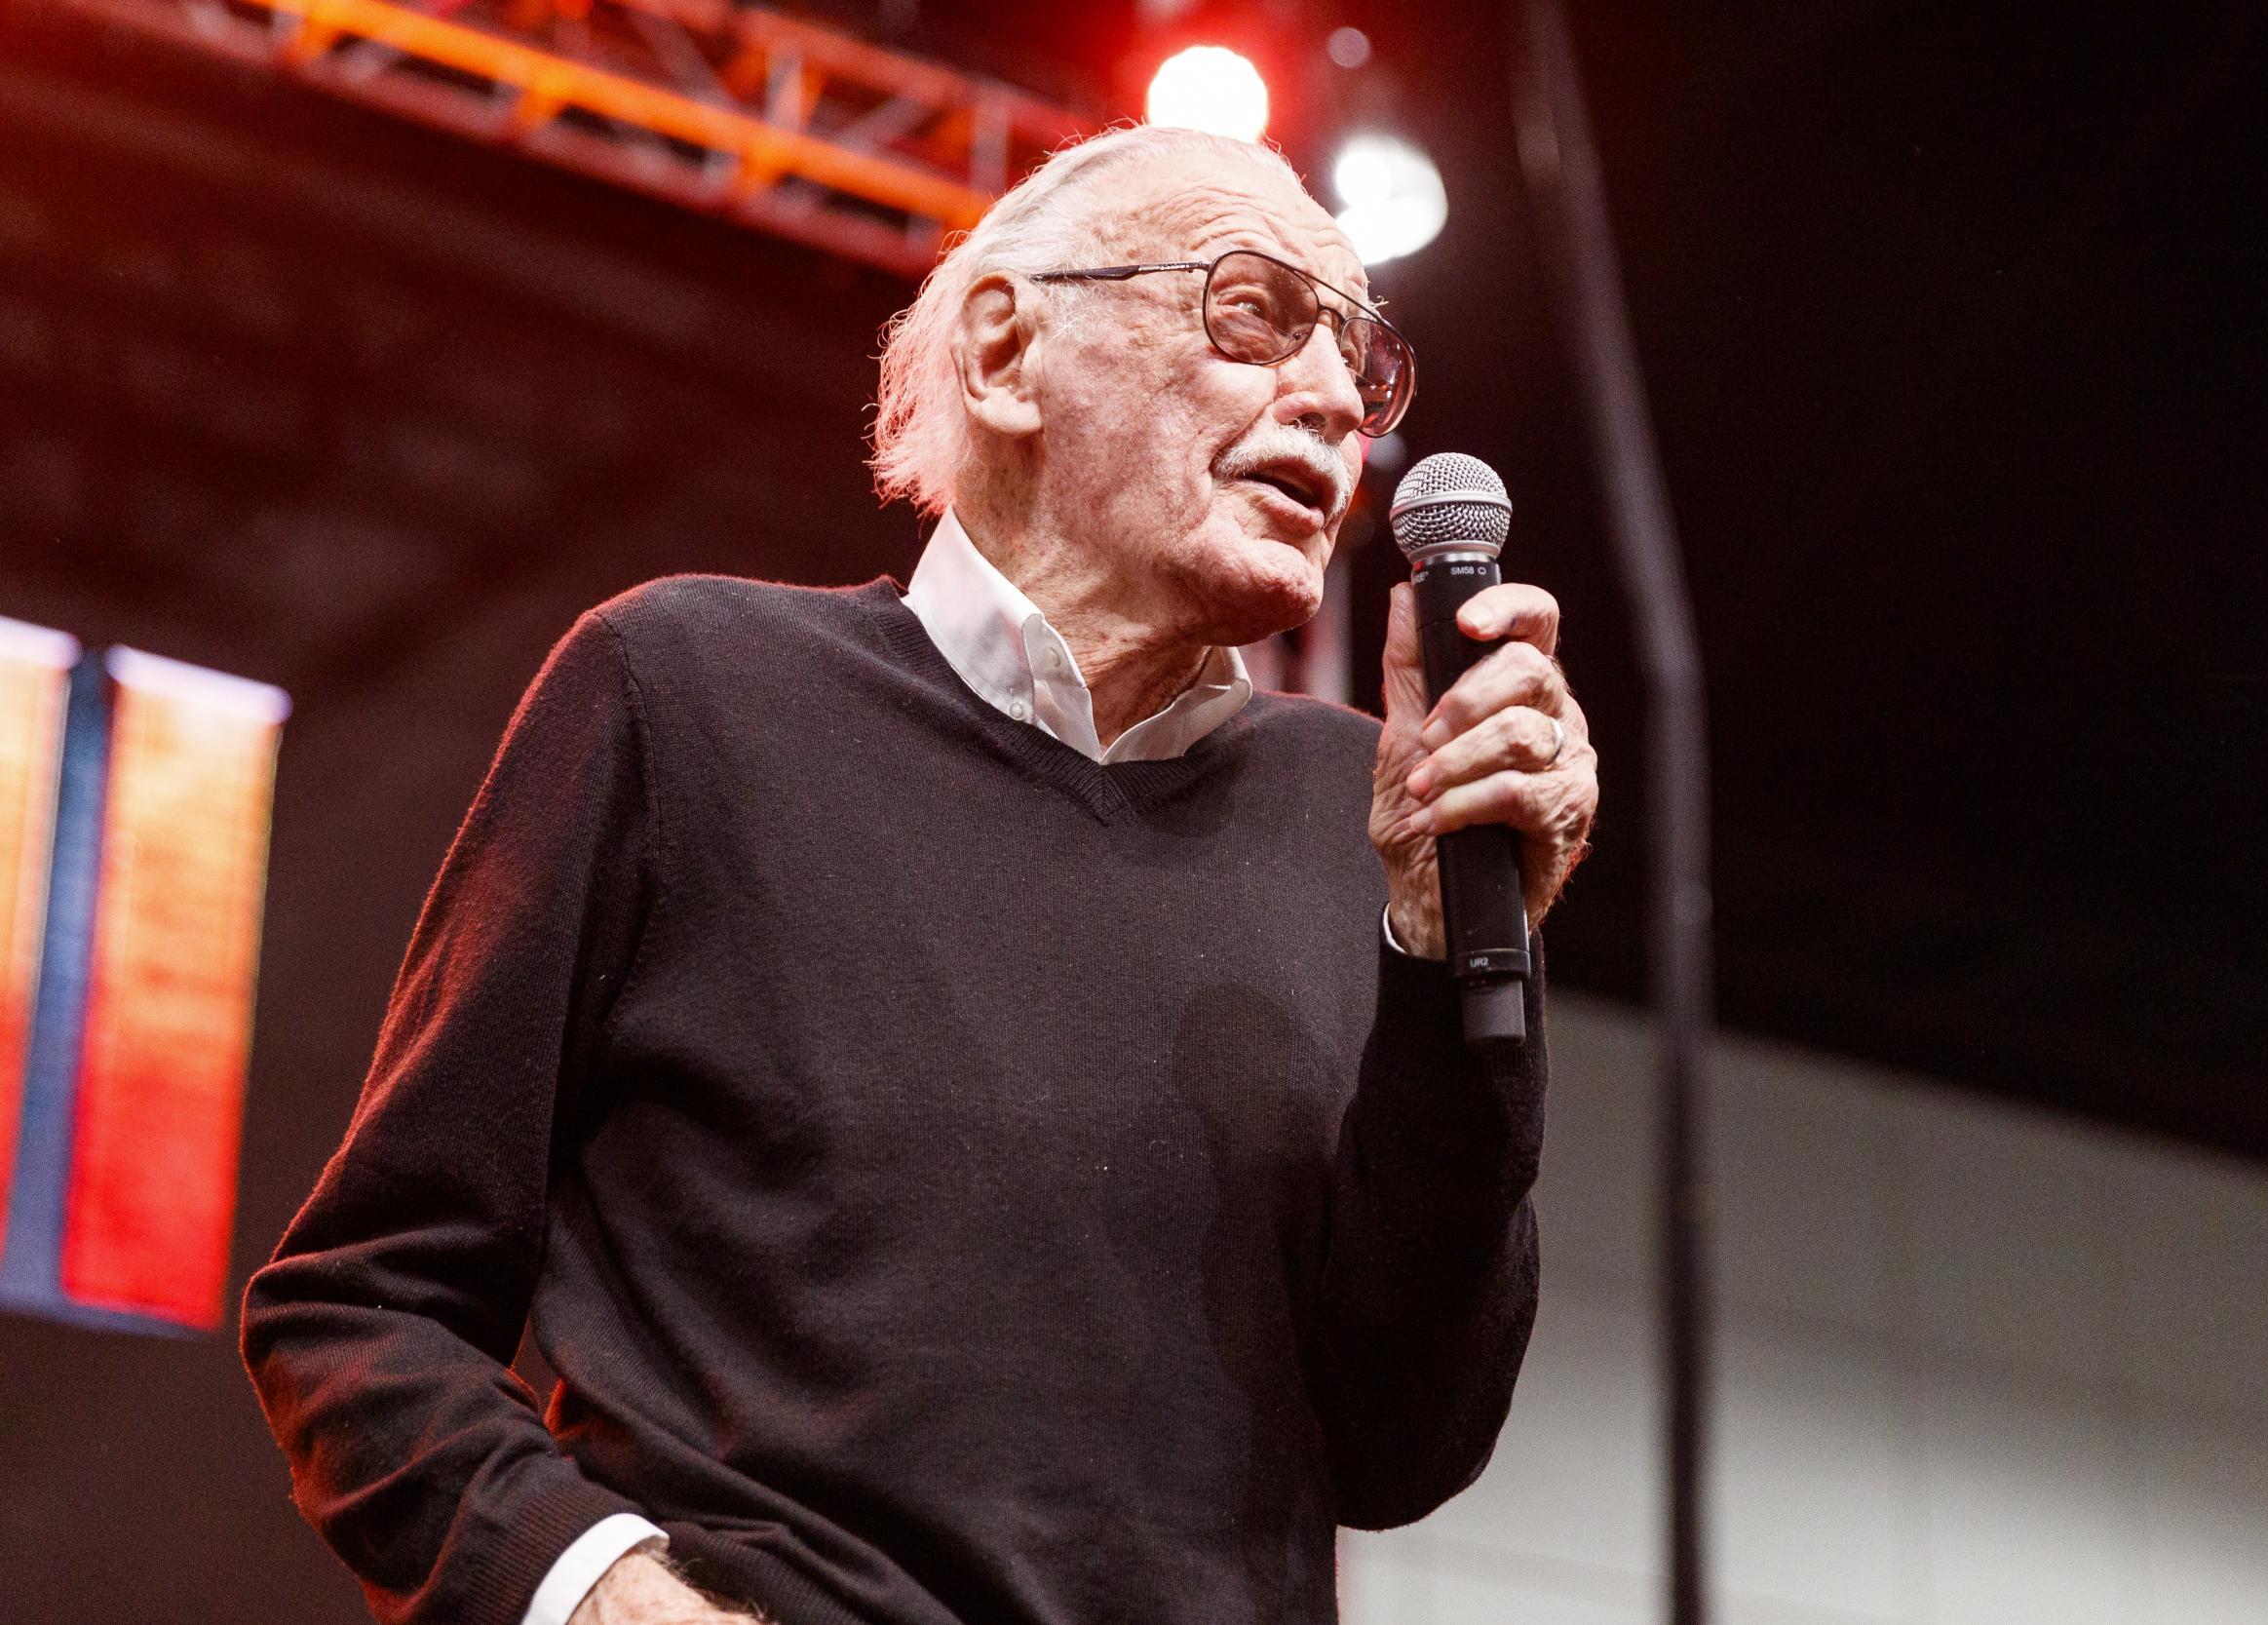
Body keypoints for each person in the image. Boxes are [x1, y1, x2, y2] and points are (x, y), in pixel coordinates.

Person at [241, 123, 1598, 1625]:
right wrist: (608, 1597)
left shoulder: (1356, 815)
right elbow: (358, 1311)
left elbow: (1407, 1443)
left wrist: (1440, 946)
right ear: (1010, 353)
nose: (1339, 398)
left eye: (1363, 358)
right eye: (1253, 313)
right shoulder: (687, 691)